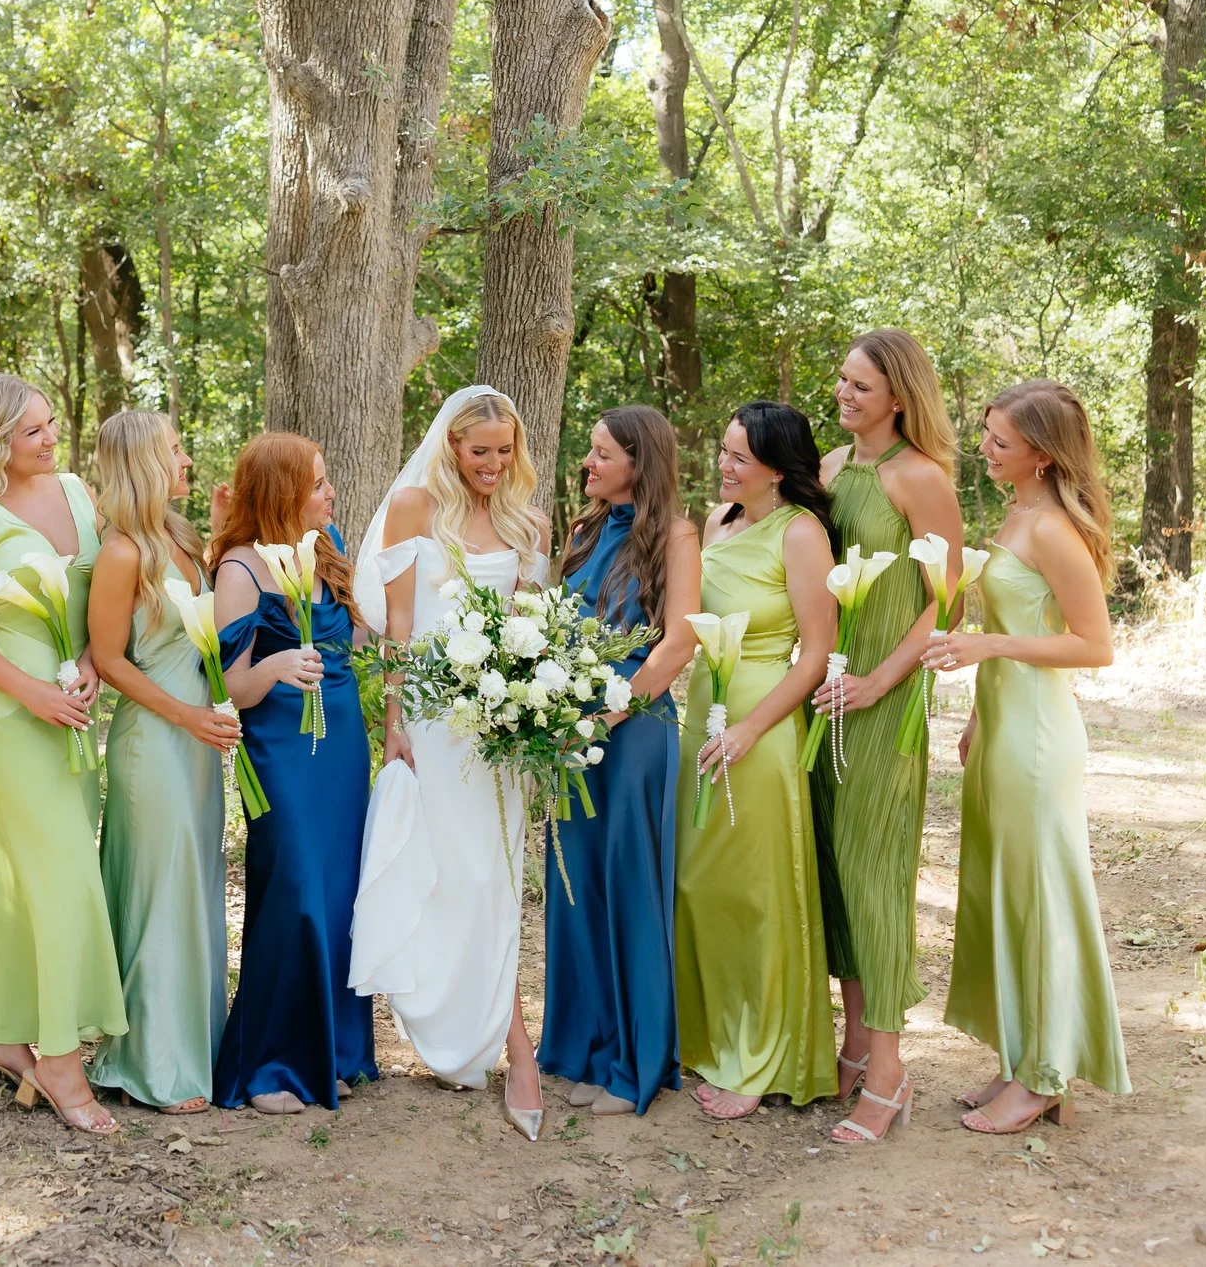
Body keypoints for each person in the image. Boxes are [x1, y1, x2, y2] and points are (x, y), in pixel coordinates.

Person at [925, 379, 1131, 1133]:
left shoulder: (1051, 530)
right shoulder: (1017, 513)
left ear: (1042, 456)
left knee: (1040, 895)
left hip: (1041, 735)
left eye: (1000, 440)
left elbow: (1095, 645)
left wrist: (990, 646)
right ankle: (1020, 1056)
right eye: (986, 433)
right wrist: (981, 708)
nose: (985, 448)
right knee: (1005, 891)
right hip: (1004, 725)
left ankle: (1045, 1075)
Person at [351, 387, 553, 1140]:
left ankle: (518, 1048)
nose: (494, 464)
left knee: (494, 879)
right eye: (480, 452)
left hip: (496, 736)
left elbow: (535, 631)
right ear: (451, 447)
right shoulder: (411, 507)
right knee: (443, 878)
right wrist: (394, 722)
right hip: (435, 725)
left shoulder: (526, 521)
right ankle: (456, 1021)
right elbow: (398, 628)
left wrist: (532, 711)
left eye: (505, 451)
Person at [0, 374, 125, 1135]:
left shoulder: (79, 492)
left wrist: (90, 660)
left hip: (74, 702)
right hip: (14, 710)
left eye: (50, 424)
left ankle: (8, 1035)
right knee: (63, 874)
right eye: (31, 432)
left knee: (27, 875)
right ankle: (59, 1057)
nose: (50, 439)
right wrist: (32, 692)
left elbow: (103, 596)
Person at [813, 328, 965, 1145]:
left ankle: (891, 1070)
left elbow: (947, 600)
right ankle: (851, 1042)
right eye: (841, 380)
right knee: (835, 868)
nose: (845, 394)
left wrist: (880, 678)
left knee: (874, 870)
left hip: (885, 697)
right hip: (827, 692)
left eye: (862, 386)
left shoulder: (922, 480)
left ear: (899, 397)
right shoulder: (833, 471)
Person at [676, 401, 840, 1120]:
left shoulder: (801, 533)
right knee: (698, 884)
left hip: (761, 728)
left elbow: (815, 654)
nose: (725, 465)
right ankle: (711, 1036)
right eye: (723, 450)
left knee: (757, 893)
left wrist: (749, 728)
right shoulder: (717, 523)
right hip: (700, 718)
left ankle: (763, 1055)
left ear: (777, 466)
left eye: (740, 456)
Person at [538, 406, 701, 1117]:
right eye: (591, 452)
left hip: (633, 733)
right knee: (577, 888)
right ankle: (586, 1046)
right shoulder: (581, 531)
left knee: (628, 885)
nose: (589, 463)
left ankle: (634, 1061)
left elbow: (679, 641)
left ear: (641, 460)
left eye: (603, 453)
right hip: (568, 728)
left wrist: (612, 708)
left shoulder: (676, 534)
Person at [209, 433, 378, 1112]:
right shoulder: (240, 571)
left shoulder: (327, 543)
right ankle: (272, 1064)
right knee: (295, 893)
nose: (330, 492)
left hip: (341, 747)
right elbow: (234, 686)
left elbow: (358, 633)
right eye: (317, 483)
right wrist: (277, 666)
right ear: (281, 492)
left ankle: (329, 1051)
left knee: (339, 899)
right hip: (281, 751)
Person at [86, 410, 234, 1114]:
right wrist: (186, 716)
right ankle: (152, 1059)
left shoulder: (178, 535)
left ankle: (197, 1046)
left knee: (195, 887)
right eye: (175, 449)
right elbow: (110, 659)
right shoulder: (122, 552)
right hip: (155, 739)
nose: (187, 458)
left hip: (201, 739)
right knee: (160, 892)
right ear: (144, 461)